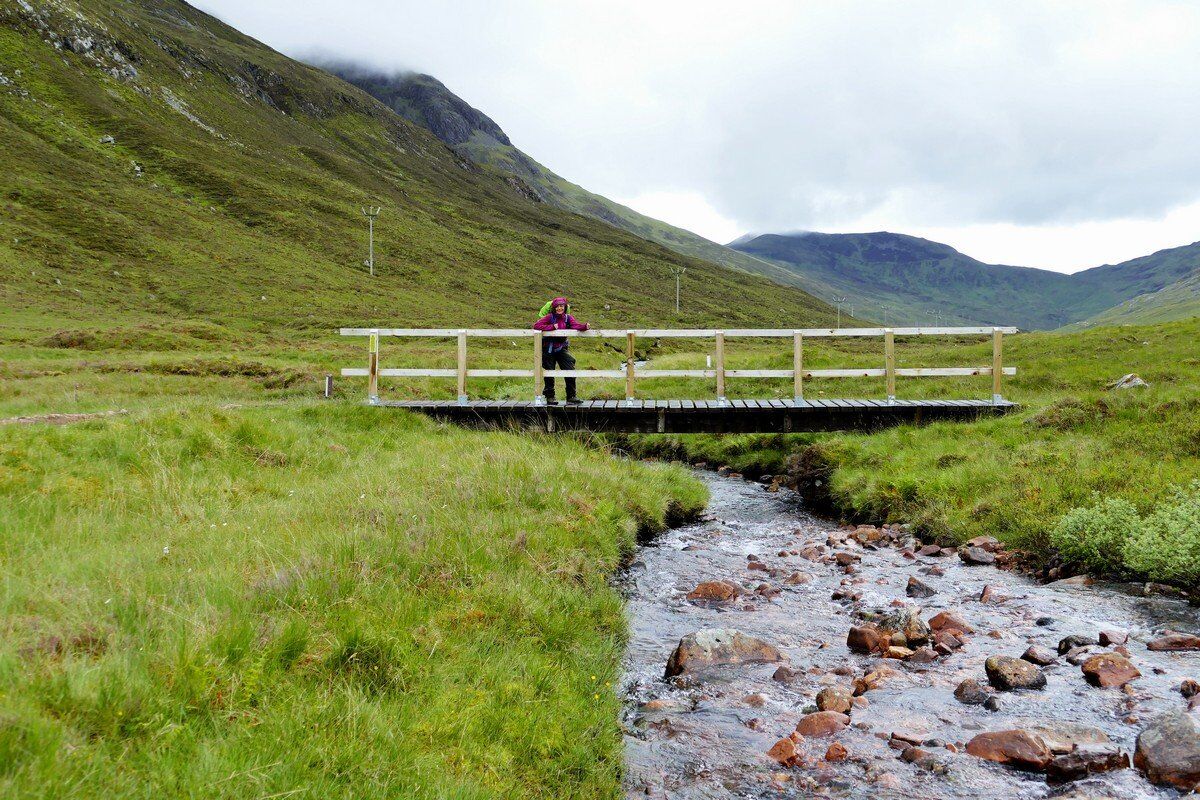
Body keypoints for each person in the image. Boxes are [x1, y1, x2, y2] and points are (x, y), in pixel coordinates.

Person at [532, 297, 589, 404]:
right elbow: (536, 326)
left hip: (561, 348)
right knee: (549, 372)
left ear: (565, 307)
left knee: (570, 368)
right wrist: (552, 327)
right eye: (557, 306)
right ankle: (550, 397)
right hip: (548, 348)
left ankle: (571, 397)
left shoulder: (568, 318)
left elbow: (575, 325)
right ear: (553, 308)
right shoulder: (549, 317)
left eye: (561, 306)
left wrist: (584, 326)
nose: (559, 308)